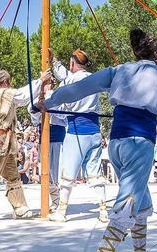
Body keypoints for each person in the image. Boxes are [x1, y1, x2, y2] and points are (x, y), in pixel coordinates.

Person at [40, 29, 157, 252]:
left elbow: (79, 87)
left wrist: (51, 100)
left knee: (141, 204)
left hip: (116, 144)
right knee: (127, 204)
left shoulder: (120, 70)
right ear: (156, 54)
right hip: (139, 144)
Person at [0, 69, 45, 224]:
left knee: (12, 175)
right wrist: (40, 80)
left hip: (3, 140)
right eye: (9, 82)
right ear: (5, 82)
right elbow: (24, 96)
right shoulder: (4, 94)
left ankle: (19, 208)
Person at [47, 48, 110, 223]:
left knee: (68, 174)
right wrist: (54, 62)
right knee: (95, 173)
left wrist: (49, 106)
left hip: (77, 131)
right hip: (95, 131)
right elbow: (64, 74)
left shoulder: (70, 81)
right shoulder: (93, 79)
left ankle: (61, 211)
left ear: (73, 63)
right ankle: (103, 211)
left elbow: (64, 81)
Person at [30, 85, 66, 208]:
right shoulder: (37, 98)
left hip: (57, 138)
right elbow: (34, 118)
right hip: (43, 139)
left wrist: (50, 102)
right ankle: (53, 200)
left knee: (57, 170)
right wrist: (39, 105)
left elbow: (63, 115)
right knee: (44, 171)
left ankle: (60, 202)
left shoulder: (59, 96)